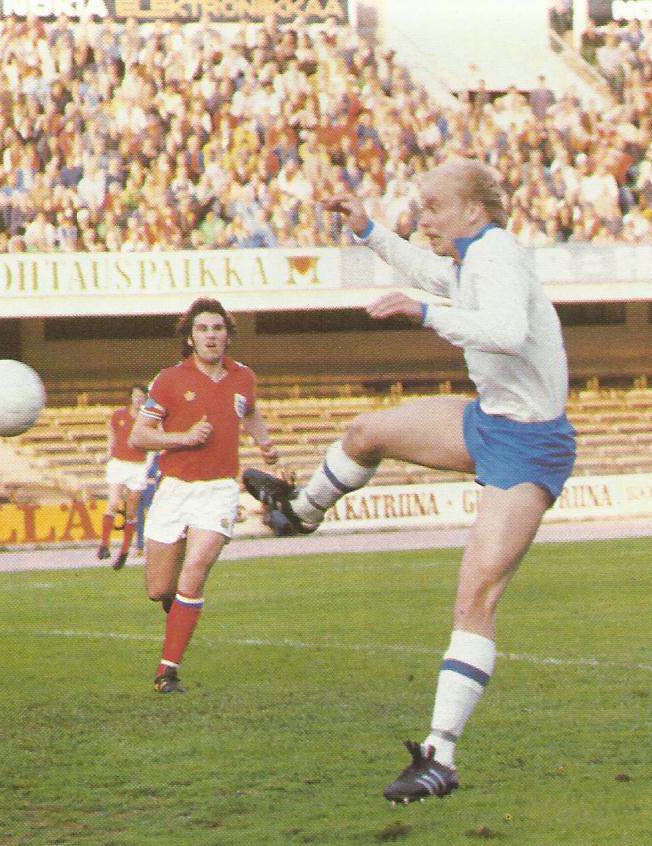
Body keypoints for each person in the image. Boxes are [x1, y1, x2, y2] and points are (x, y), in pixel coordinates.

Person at [244, 158, 576, 804]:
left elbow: (506, 332)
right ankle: (300, 512)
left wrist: (423, 314)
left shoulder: (497, 256)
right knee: (366, 433)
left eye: (431, 207)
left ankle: (439, 757)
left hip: (528, 447)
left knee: (473, 601)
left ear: (474, 211)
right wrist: (369, 231)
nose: (422, 217)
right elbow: (431, 273)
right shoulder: (473, 254)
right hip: (490, 423)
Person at [128, 297, 280, 694]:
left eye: (218, 328)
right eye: (203, 329)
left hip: (219, 490)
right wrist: (183, 438)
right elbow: (139, 436)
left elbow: (249, 411)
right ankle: (178, 606)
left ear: (228, 335)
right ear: (190, 338)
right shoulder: (169, 380)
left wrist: (265, 445)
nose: (211, 336)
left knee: (194, 573)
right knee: (159, 589)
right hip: (174, 489)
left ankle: (167, 671)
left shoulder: (244, 376)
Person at [97, 385, 150, 569]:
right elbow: (112, 434)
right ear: (131, 397)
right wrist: (108, 452)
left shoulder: (148, 420)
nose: (138, 399)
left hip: (138, 465)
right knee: (113, 503)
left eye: (142, 396)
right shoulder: (118, 415)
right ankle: (104, 544)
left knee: (131, 510)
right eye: (136, 396)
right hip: (119, 463)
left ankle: (124, 551)